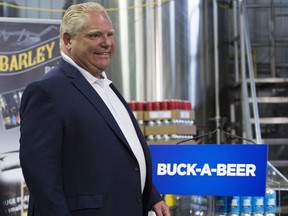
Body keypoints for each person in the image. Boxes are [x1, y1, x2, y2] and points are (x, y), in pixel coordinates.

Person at [19, 2, 170, 216]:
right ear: (68, 40)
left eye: (110, 34)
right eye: (95, 35)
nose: (106, 43)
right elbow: (41, 178)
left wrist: (151, 196)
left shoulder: (105, 86)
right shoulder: (47, 91)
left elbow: (121, 153)